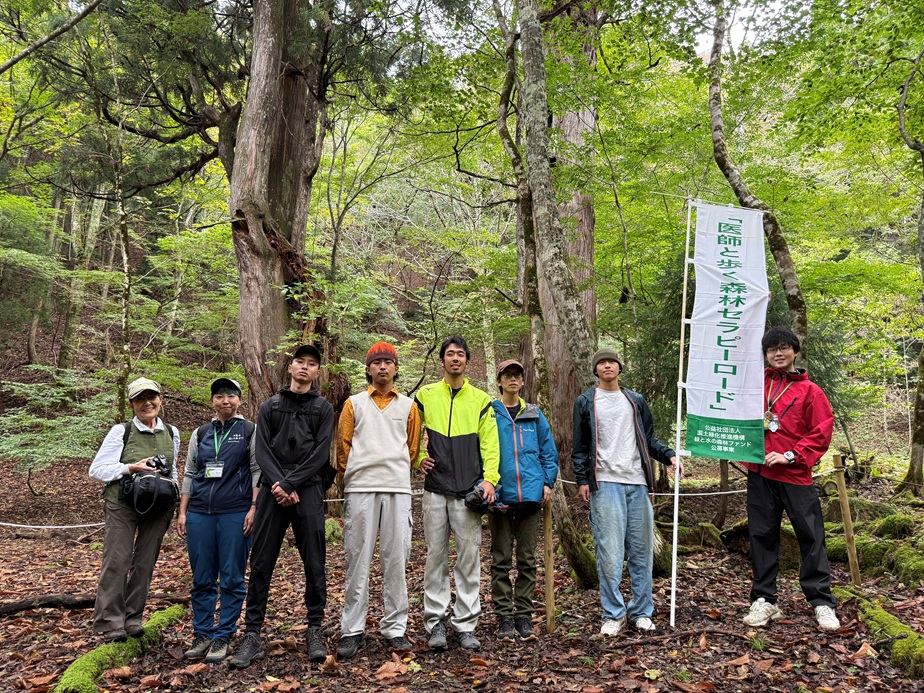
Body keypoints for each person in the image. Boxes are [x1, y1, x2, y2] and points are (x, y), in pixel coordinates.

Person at [229, 345, 335, 669]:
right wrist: (278, 485)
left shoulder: (323, 408)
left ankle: (314, 629)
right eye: (300, 362)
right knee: (261, 562)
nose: (305, 367)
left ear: (318, 372)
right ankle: (253, 634)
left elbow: (320, 454)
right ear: (290, 367)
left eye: (312, 364)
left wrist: (291, 484)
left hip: (309, 492)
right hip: (272, 494)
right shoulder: (270, 406)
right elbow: (262, 450)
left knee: (315, 562)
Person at [573, 348, 679, 636]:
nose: (607, 366)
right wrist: (583, 479)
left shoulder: (635, 400)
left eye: (612, 362)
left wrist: (669, 455)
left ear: (619, 368)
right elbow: (580, 447)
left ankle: (642, 612)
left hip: (637, 482)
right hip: (605, 482)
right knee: (609, 551)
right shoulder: (585, 402)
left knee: (641, 550)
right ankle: (613, 614)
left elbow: (648, 439)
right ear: (596, 370)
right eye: (602, 363)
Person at [742, 326, 840, 632]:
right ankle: (765, 599)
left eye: (784, 347)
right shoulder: (757, 385)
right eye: (772, 349)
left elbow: (821, 431)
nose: (778, 353)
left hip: (795, 475)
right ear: (766, 354)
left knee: (811, 537)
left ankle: (821, 601)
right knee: (761, 536)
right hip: (760, 475)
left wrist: (790, 455)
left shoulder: (811, 391)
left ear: (795, 351)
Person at [335, 342, 422, 659]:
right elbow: (343, 448)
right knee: (357, 558)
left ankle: (396, 629)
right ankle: (352, 630)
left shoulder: (409, 406)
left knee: (397, 558)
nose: (383, 367)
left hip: (398, 488)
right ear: (368, 369)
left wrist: (395, 471)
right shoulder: (353, 404)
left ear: (396, 368)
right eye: (377, 363)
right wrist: (356, 474)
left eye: (388, 362)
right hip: (360, 488)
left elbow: (411, 450)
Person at [415, 335, 500, 652]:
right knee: (435, 557)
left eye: (460, 354)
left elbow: (491, 444)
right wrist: (416, 459)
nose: (455, 359)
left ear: (467, 361)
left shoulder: (480, 400)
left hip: (469, 491)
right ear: (441, 361)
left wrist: (490, 479)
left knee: (468, 559)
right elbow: (409, 432)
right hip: (435, 488)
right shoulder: (425, 396)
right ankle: (435, 621)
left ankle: (465, 624)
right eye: (449, 354)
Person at [89, 377, 180, 642]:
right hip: (122, 504)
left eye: (151, 397)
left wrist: (173, 494)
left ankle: (132, 619)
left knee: (144, 563)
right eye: (140, 399)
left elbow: (172, 469)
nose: (147, 403)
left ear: (160, 400)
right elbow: (96, 470)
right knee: (117, 561)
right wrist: (130, 468)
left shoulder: (172, 433)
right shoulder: (122, 431)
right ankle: (109, 622)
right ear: (131, 404)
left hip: (158, 506)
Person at [177, 378, 259, 663]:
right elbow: (189, 472)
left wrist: (253, 507)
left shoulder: (249, 431)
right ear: (212, 400)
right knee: (202, 577)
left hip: (235, 511)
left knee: (232, 575)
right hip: (200, 512)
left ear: (240, 400)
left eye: (231, 396)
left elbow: (257, 471)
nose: (226, 401)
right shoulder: (201, 433)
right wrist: (183, 511)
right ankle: (202, 633)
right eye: (220, 396)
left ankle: (223, 634)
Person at [489, 359, 558, 642]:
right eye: (508, 376)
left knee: (527, 560)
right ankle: (505, 616)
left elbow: (548, 451)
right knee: (501, 559)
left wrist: (546, 482)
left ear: (523, 381)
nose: (513, 380)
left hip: (530, 495)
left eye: (517, 375)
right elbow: (483, 448)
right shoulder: (491, 413)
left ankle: (524, 617)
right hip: (501, 495)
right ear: (500, 381)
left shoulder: (534, 414)